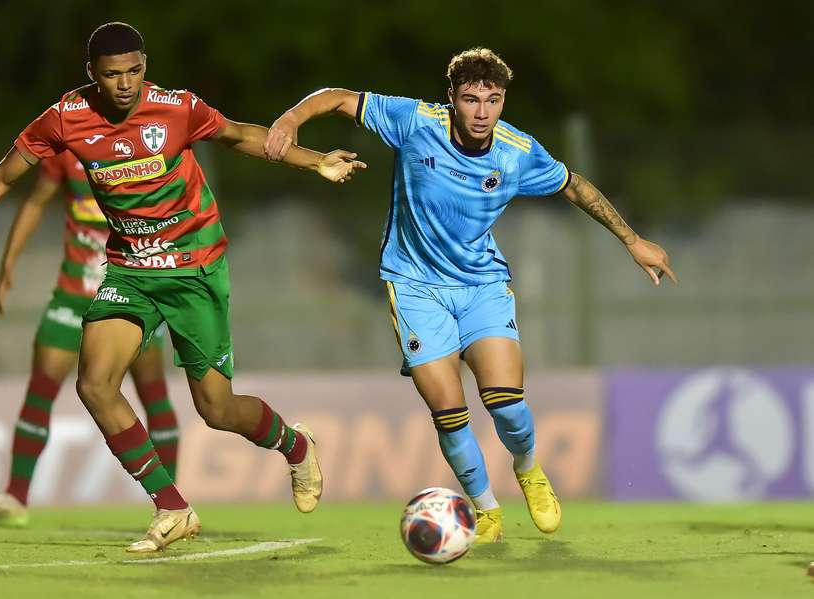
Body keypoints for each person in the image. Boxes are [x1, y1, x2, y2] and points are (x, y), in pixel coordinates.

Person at [0, 22, 365, 552]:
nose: (126, 84)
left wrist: (315, 160)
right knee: (94, 384)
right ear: (92, 74)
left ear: (145, 66)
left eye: (135, 70)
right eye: (113, 75)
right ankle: (173, 507)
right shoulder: (66, 118)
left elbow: (238, 134)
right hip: (131, 270)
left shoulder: (175, 108)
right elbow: (2, 175)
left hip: (194, 267)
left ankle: (295, 445)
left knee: (217, 409)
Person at [264, 47, 676, 543]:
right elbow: (336, 98)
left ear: (504, 101)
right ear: (451, 99)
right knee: (449, 410)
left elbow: (574, 186)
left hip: (482, 285)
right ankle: (486, 511)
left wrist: (632, 241)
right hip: (414, 286)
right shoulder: (415, 122)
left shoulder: (517, 152)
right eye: (471, 100)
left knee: (505, 405)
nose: (482, 112)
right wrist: (289, 119)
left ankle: (528, 468)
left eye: (493, 100)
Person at [0, 150, 179, 527]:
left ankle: (170, 502)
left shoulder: (146, 142)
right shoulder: (66, 148)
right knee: (41, 386)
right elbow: (36, 200)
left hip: (132, 292)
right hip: (74, 291)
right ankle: (15, 497)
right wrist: (9, 259)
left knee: (152, 392)